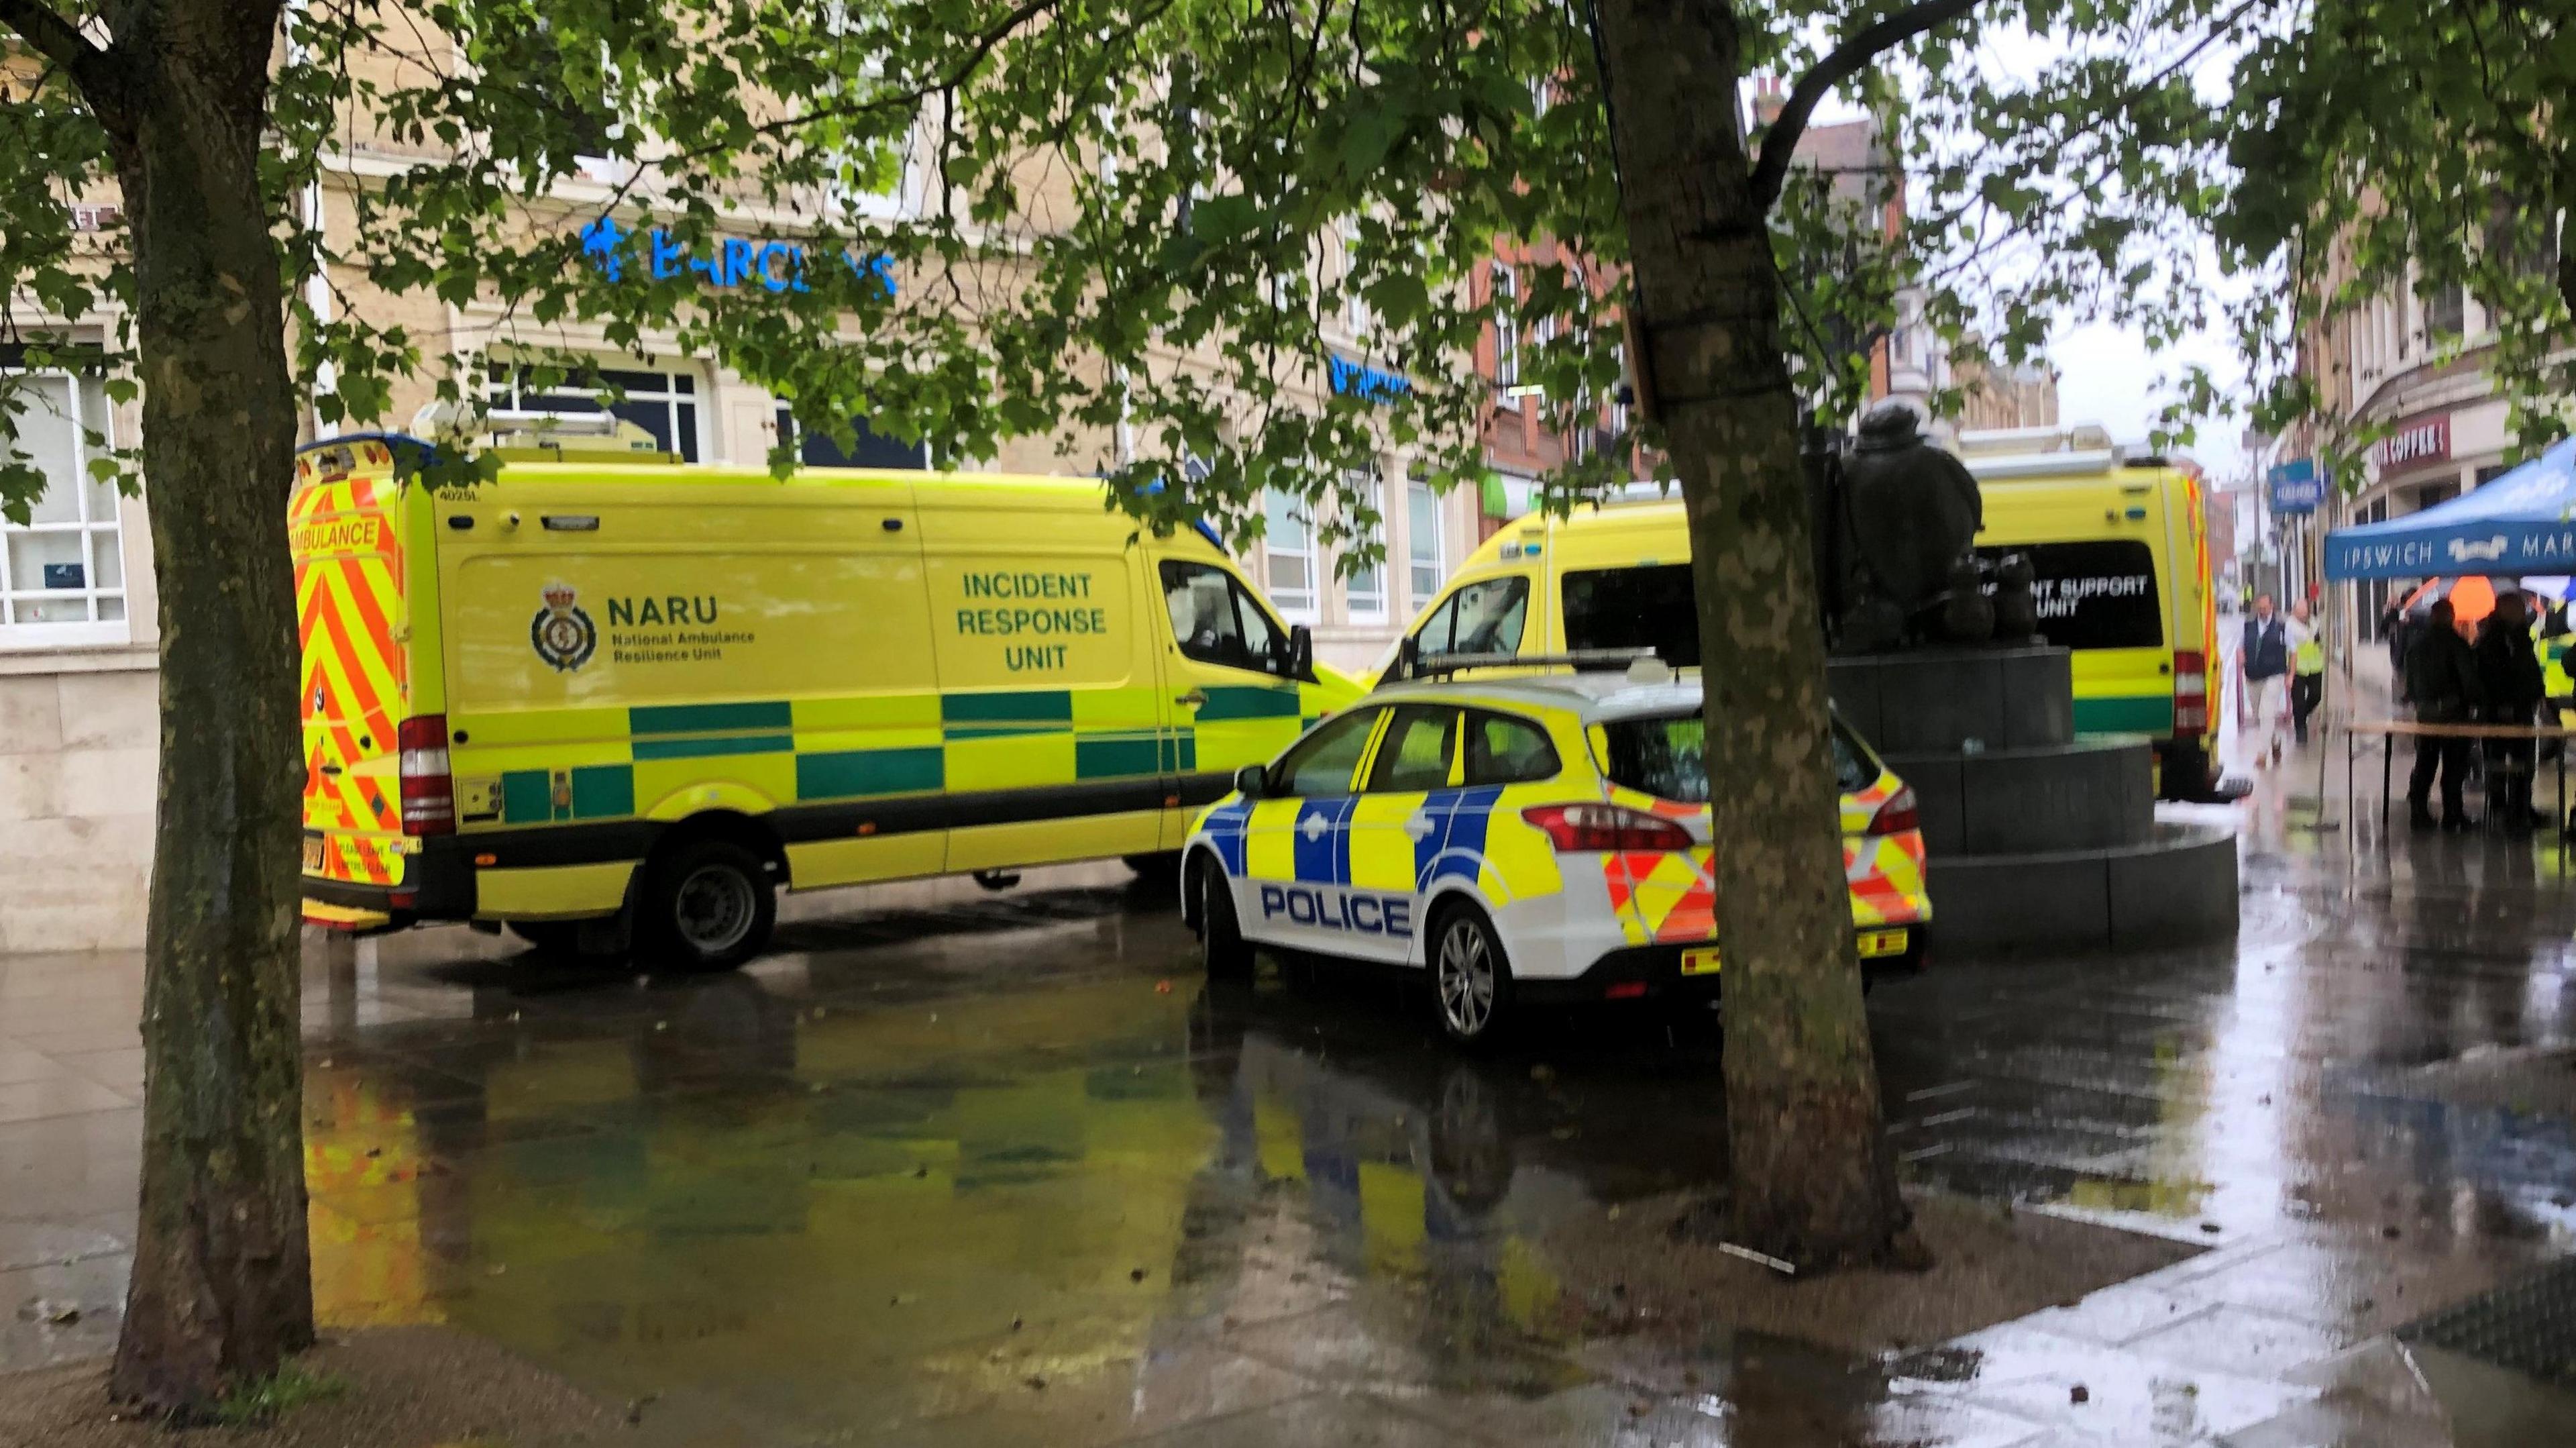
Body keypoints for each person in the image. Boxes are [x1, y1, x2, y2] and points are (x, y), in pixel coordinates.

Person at [2405, 599, 2484, 831]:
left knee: (2425, 764)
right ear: (2450, 616)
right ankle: (2453, 815)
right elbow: (2469, 681)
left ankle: (2419, 814)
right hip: (2453, 714)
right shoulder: (2457, 645)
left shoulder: (2417, 645)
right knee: (2454, 766)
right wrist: (2476, 702)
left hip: (2425, 715)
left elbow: (2409, 684)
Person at [2475, 590, 2547, 831]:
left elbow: (2526, 669)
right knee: (2500, 763)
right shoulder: (2495, 639)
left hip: (2521, 708)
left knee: (2524, 762)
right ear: (2505, 610)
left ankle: (2521, 808)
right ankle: (2503, 810)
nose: (2523, 612)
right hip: (2503, 711)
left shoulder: (2517, 636)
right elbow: (2498, 676)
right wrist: (2504, 704)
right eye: (2519, 607)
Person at [2241, 593, 2291, 764]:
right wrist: (2241, 659)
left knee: (2267, 713)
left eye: (2265, 607)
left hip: (2274, 675)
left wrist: (2290, 675)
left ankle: (2262, 755)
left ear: (2272, 606)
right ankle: (2275, 741)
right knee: (2259, 716)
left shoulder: (2282, 627)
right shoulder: (2248, 626)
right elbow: (2241, 646)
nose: (2262, 611)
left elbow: (2293, 651)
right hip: (2253, 676)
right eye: (2259, 608)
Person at [2288, 599, 2326, 745]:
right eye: (2300, 612)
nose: (2304, 615)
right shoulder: (2290, 626)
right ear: (2294, 612)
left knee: (2317, 695)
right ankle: (2300, 731)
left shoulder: (2314, 622)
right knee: (2298, 701)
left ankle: (2302, 715)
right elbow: (2306, 639)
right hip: (2297, 668)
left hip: (2315, 666)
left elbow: (2319, 641)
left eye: (2305, 611)